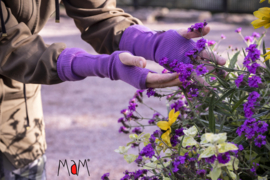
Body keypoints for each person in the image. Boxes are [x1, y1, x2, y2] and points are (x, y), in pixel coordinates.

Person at [0, 0, 226, 179]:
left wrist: (153, 43)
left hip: (18, 107)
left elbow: (99, 14)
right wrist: (103, 65)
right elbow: (11, 46)